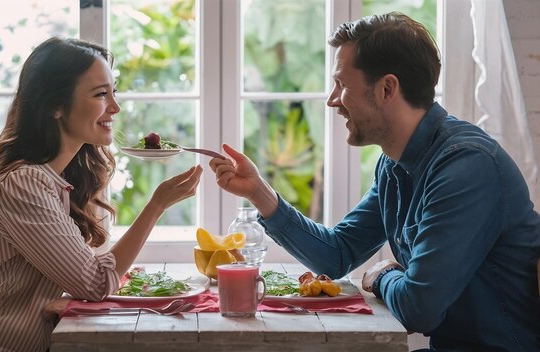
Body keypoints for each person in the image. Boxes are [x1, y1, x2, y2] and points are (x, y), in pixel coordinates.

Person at [209, 12, 540, 351]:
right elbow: (338, 254)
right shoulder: (394, 165)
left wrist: (382, 275)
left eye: (342, 85)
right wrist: (259, 193)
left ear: (386, 89)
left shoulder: (467, 167)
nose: (332, 100)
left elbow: (419, 309)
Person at [0, 37, 203, 352]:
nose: (115, 107)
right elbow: (94, 284)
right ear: (55, 106)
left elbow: (82, 276)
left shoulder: (53, 179)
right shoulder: (22, 185)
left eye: (113, 92)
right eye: (100, 94)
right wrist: (157, 205)